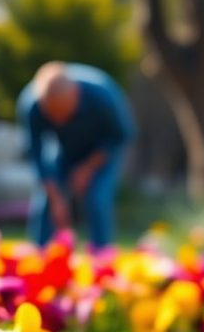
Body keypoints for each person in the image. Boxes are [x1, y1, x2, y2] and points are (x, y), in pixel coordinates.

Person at [18, 62, 135, 249]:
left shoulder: (102, 96)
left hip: (101, 151)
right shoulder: (31, 105)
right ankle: (39, 257)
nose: (59, 122)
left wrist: (87, 169)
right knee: (45, 202)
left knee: (97, 199)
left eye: (63, 114)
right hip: (63, 150)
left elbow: (121, 137)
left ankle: (101, 259)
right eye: (52, 115)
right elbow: (37, 154)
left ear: (75, 95)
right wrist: (56, 198)